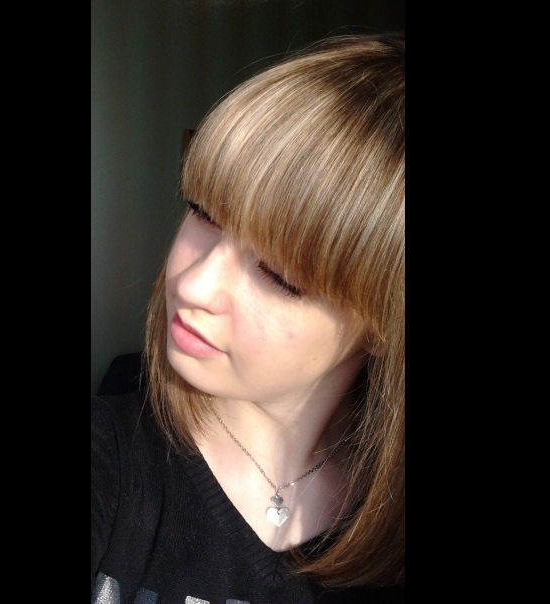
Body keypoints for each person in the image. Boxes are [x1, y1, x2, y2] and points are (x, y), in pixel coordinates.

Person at [92, 33, 405, 603]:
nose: (192, 284)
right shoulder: (110, 460)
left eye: (280, 275)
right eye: (203, 213)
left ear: (384, 322)